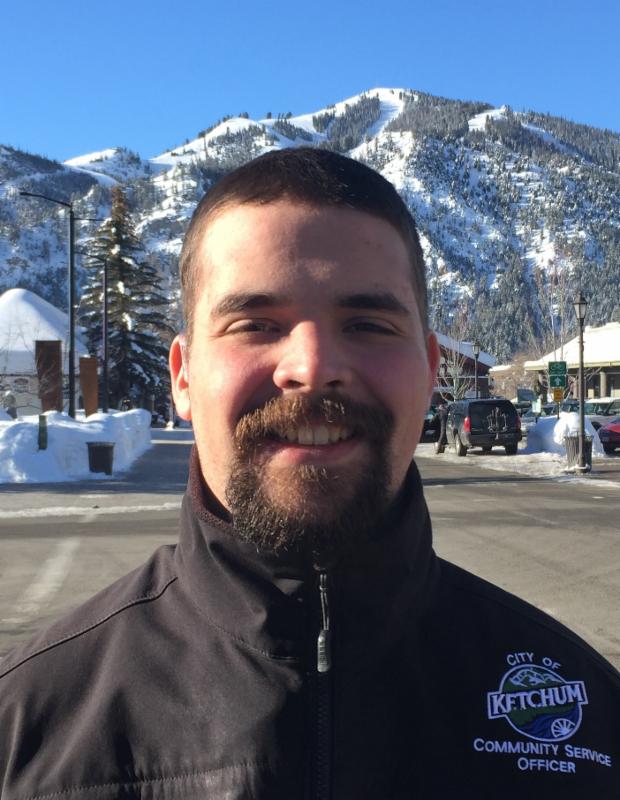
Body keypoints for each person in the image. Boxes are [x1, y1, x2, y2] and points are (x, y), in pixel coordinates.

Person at [1, 149, 619, 798]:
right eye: (255, 324)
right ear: (182, 377)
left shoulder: (589, 725)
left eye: (367, 324)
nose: (312, 366)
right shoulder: (28, 733)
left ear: (430, 369)